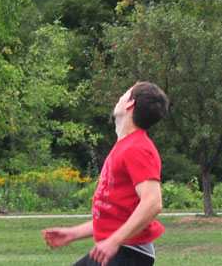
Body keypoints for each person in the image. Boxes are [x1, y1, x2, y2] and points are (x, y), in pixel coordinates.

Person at [42, 81, 169, 266]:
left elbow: (153, 202)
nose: (120, 96)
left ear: (130, 104)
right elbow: (116, 216)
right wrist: (73, 233)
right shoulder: (125, 147)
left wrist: (115, 241)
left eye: (125, 93)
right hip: (120, 250)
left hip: (128, 253)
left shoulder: (138, 148)